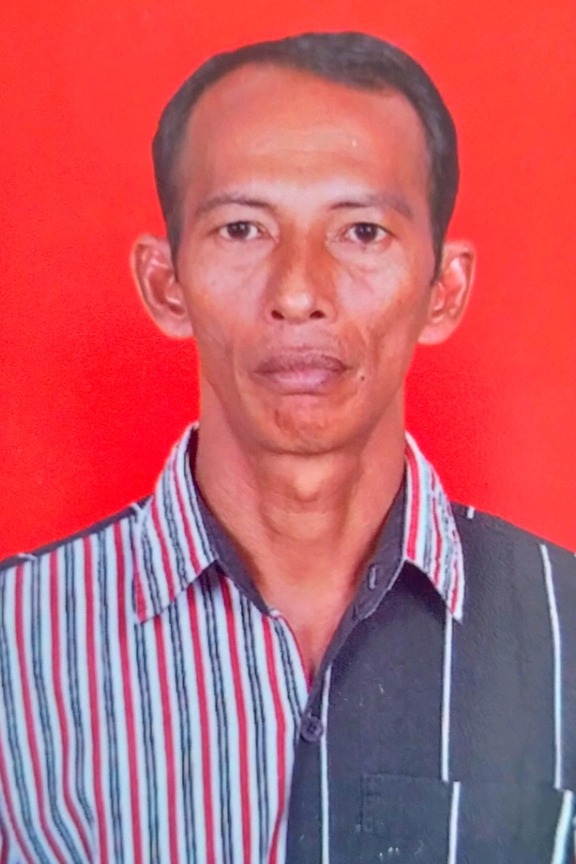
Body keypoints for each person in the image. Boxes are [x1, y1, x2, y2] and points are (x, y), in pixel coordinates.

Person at [0, 31, 574, 864]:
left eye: (362, 232)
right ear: (165, 285)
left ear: (444, 290)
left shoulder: (565, 629)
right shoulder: (15, 641)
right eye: (242, 229)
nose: (299, 292)